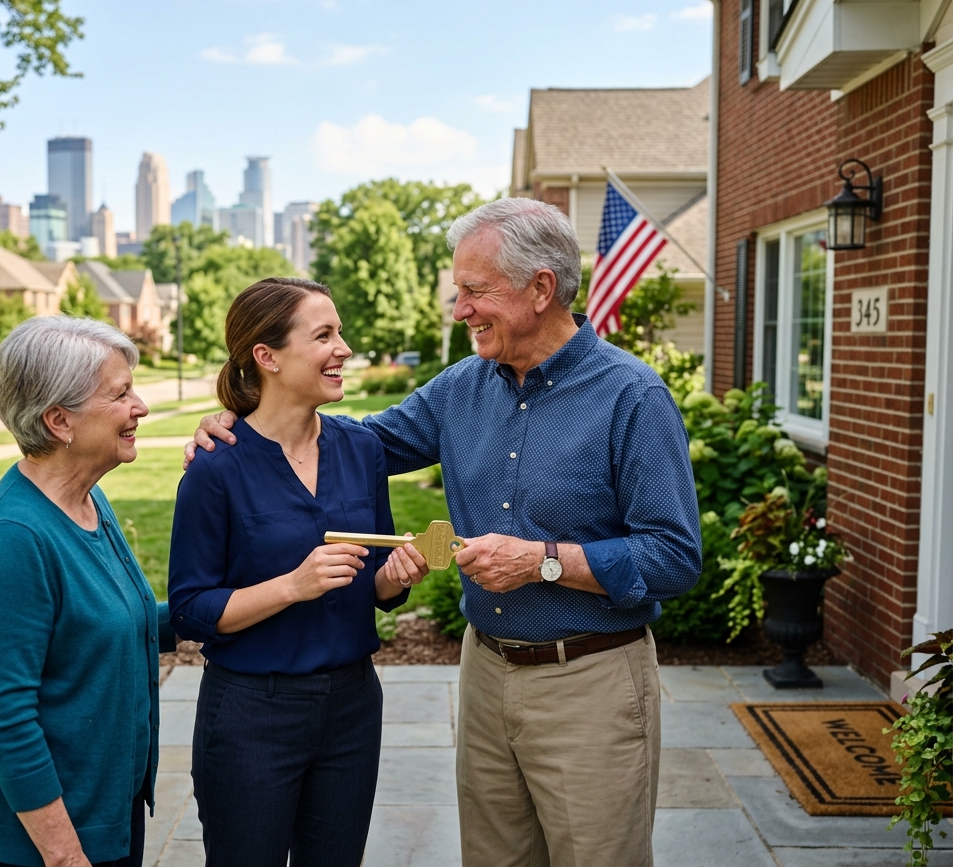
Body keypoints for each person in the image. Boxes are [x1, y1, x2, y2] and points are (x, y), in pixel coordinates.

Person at [186, 199, 703, 867]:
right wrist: (238, 416)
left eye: (474, 291)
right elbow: (353, 442)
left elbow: (674, 557)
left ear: (541, 288)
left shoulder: (631, 397)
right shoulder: (462, 388)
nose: (460, 310)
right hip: (485, 673)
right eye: (459, 292)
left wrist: (542, 561)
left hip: (591, 682)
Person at [168, 277, 424, 867]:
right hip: (252, 715)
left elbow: (373, 583)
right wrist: (292, 586)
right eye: (325, 335)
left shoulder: (362, 450)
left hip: (353, 707)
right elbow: (190, 610)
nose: (345, 348)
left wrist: (396, 577)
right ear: (268, 357)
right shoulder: (215, 468)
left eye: (340, 333)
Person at [0, 316, 175, 867]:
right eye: (121, 394)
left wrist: (281, 591)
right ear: (59, 421)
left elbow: (130, 622)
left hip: (103, 812)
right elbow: (5, 718)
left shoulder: (85, 500)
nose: (141, 407)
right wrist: (65, 856)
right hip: (45, 842)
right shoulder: (16, 537)